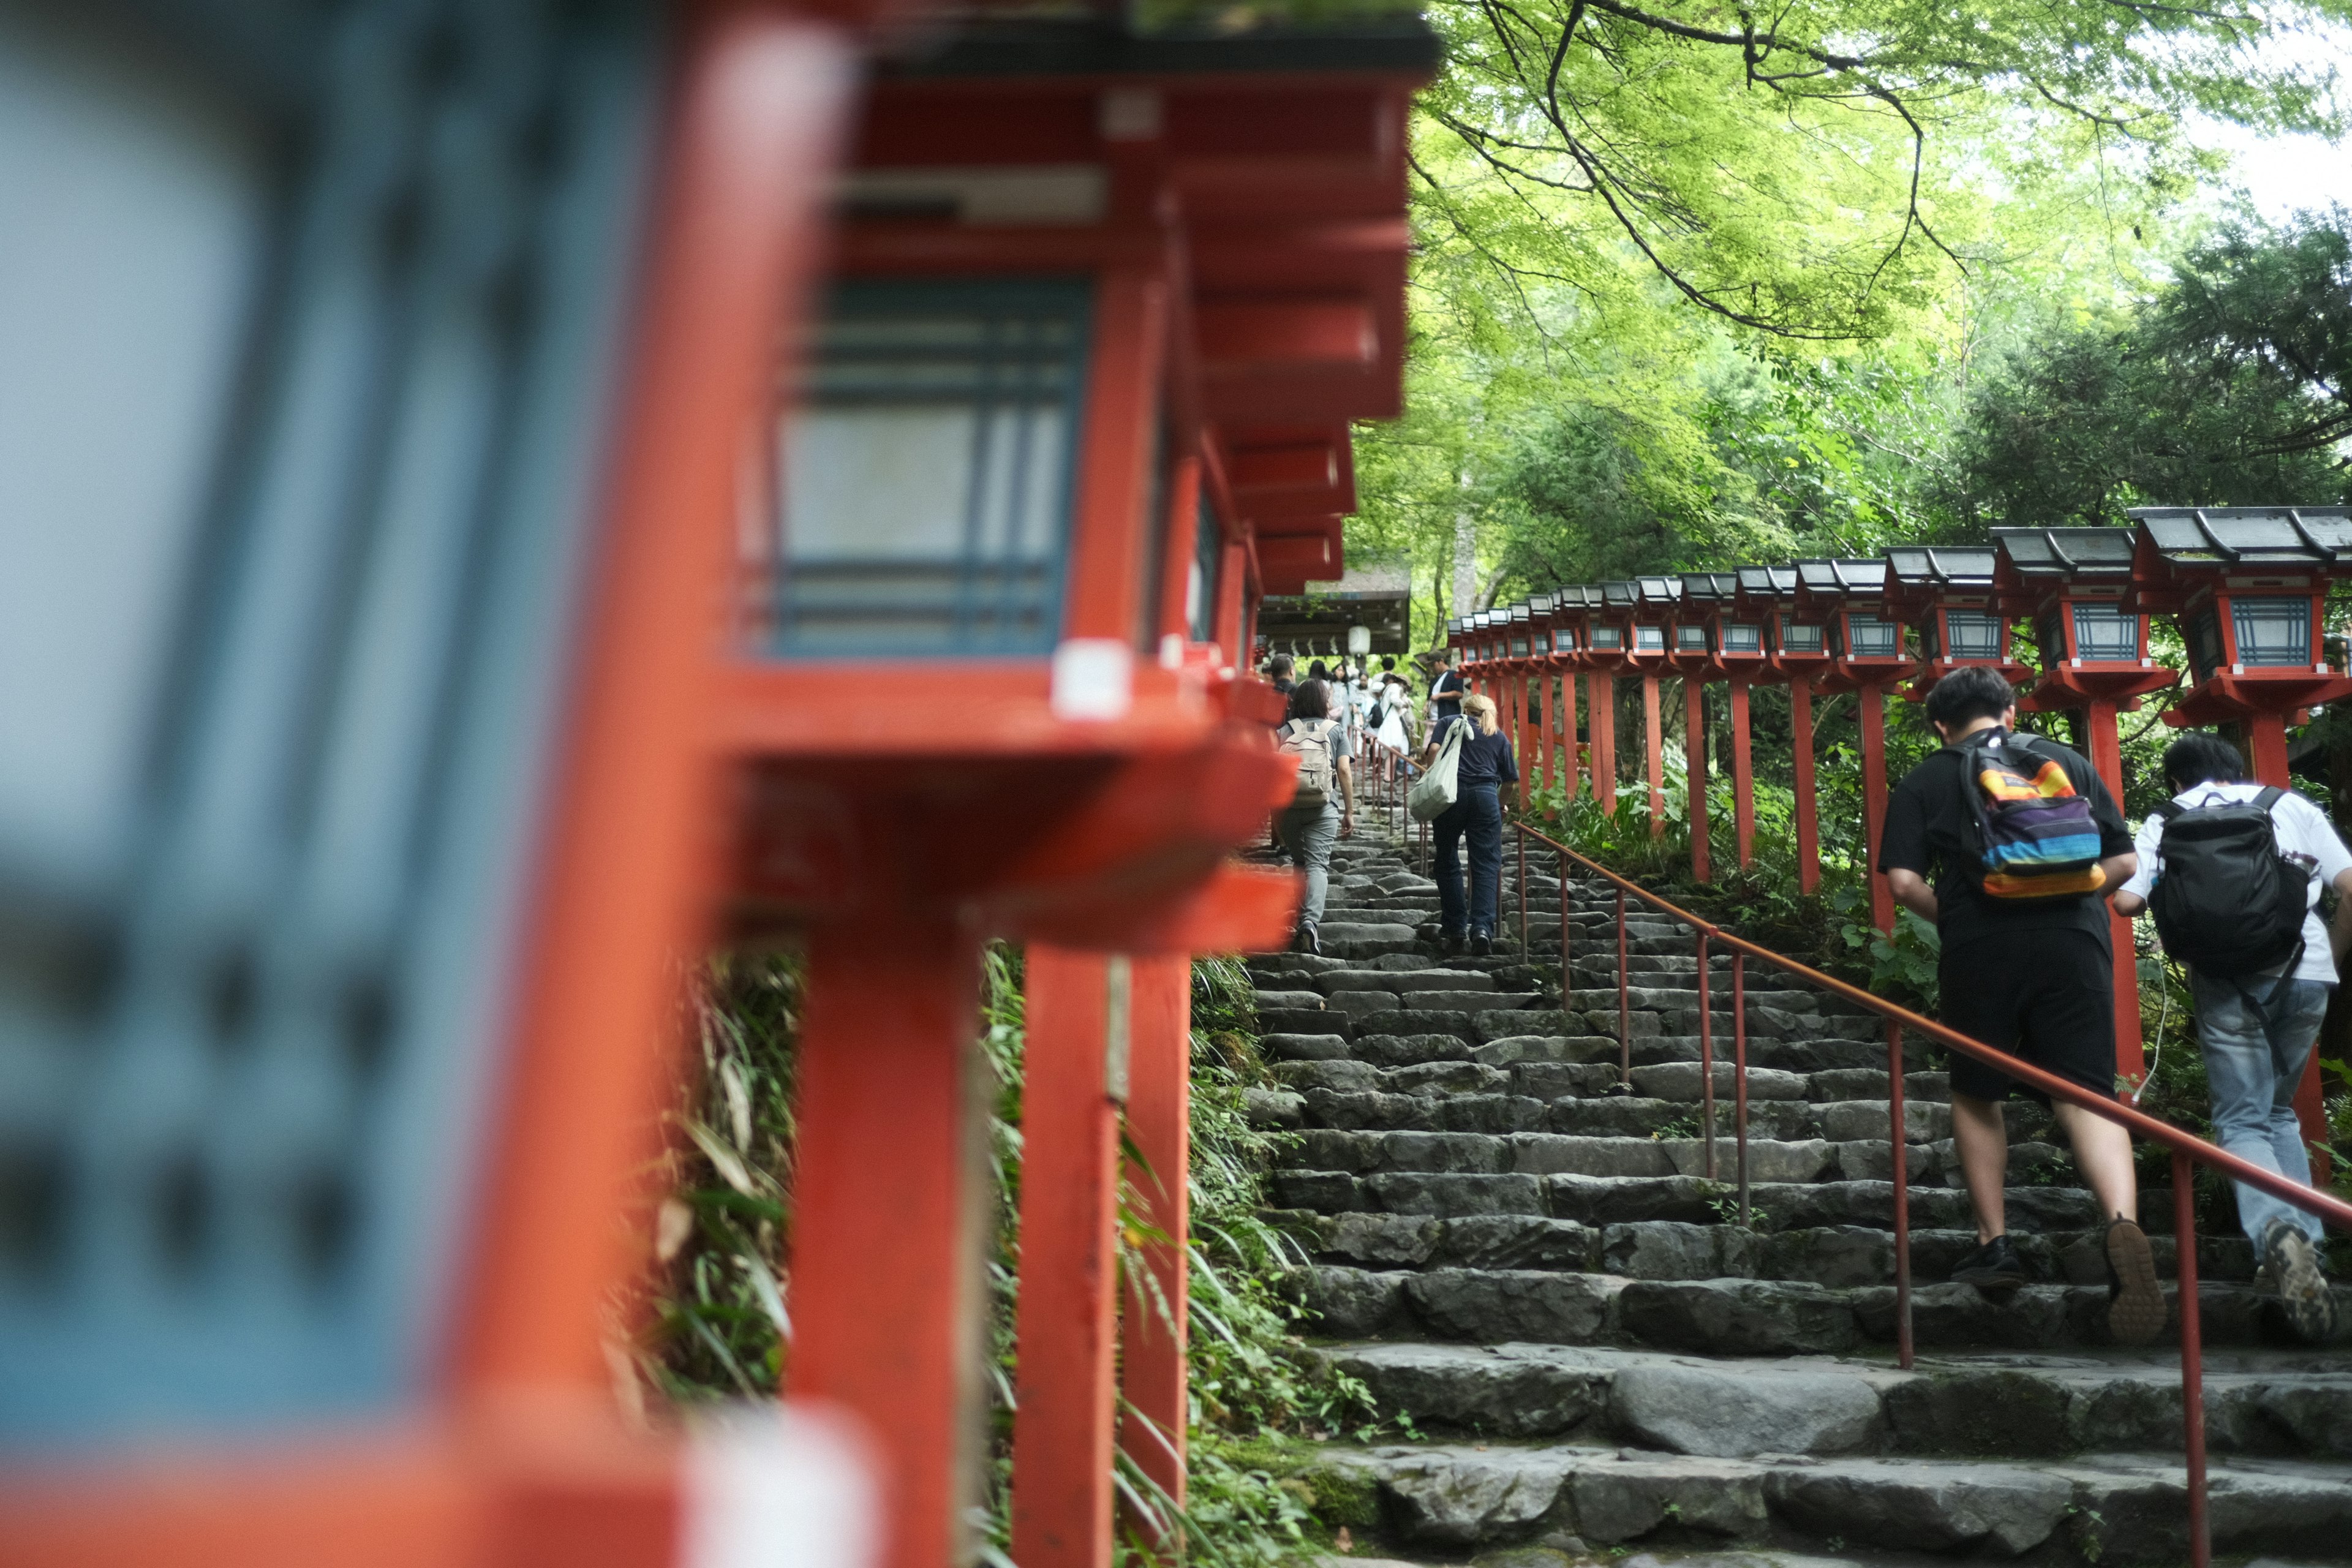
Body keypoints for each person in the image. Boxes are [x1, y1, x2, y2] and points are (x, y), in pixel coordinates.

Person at [1877, 666, 2162, 1344]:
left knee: (1979, 1089)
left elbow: (1902, 880)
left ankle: (1995, 1241)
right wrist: (2066, 899)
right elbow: (2123, 864)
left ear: (1941, 724)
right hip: (2076, 940)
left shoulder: (1926, 777)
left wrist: (1961, 915)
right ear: (2009, 709)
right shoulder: (2064, 761)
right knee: (2086, 1094)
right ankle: (2122, 1224)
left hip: (1980, 944)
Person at [2111, 732, 2350, 1341]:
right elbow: (2349, 884)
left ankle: (2276, 1233)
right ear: (2236, 768)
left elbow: (2127, 902)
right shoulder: (2289, 803)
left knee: (2242, 1120)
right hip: (2307, 971)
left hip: (2225, 984)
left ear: (2174, 781)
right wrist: (2333, 956)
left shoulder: (2167, 816)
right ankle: (2308, 1251)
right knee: (2277, 1113)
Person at [1420, 691, 1516, 956]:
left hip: (1450, 794)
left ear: (1467, 708)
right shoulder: (1498, 735)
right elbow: (1509, 782)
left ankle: (1454, 926)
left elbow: (1435, 750)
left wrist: (1434, 780)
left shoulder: (1449, 722)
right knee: (1486, 864)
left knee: (1447, 857)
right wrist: (1499, 804)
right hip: (1485, 797)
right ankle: (1482, 929)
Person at [1273, 678, 1354, 954]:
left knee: (1299, 862)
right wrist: (1350, 811)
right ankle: (1309, 924)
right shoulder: (1336, 730)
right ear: (1324, 702)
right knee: (1318, 865)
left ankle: (1298, 918)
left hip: (1290, 807)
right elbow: (1344, 771)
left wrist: (1276, 818)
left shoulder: (1284, 731)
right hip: (1323, 807)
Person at [1427, 650, 1465, 745]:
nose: (1432, 668)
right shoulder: (1434, 680)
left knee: (1442, 747)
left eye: (1433, 664)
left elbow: (1459, 694)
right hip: (1432, 719)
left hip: (1446, 718)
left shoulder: (1454, 675)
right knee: (1427, 749)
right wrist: (1425, 706)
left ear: (1441, 661)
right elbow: (1429, 697)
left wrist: (1440, 695)